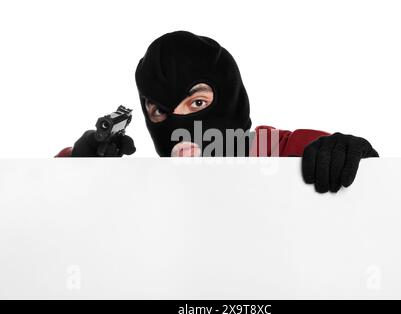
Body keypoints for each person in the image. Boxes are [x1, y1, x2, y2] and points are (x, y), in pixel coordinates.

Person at [56, 31, 378, 193]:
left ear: (230, 98)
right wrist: (77, 167)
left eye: (197, 103)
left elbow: (372, 186)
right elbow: (40, 215)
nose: (179, 123)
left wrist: (353, 154)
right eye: (159, 111)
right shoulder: (151, 187)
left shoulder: (278, 150)